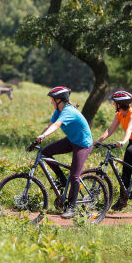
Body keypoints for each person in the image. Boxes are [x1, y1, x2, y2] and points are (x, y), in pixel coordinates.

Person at [36, 86, 93, 219]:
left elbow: (56, 126)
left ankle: (72, 207)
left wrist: (44, 137)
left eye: (52, 100)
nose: (51, 102)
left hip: (83, 144)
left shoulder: (68, 111)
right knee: (45, 153)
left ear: (59, 100)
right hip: (71, 140)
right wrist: (39, 137)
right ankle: (62, 180)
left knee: (74, 176)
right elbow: (50, 125)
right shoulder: (59, 110)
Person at [96, 90, 132, 210]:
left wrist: (123, 141)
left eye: (114, 103)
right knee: (125, 173)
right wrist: (98, 141)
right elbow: (110, 129)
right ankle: (123, 201)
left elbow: (130, 129)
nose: (113, 104)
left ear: (119, 104)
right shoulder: (119, 114)